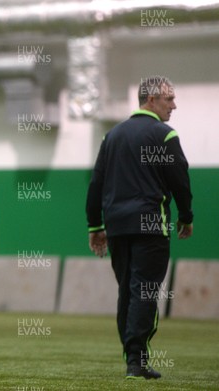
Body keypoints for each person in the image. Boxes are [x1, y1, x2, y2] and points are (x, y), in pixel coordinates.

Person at [86, 75, 193, 380]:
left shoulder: (113, 136)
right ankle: (136, 359)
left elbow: (97, 184)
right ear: (150, 99)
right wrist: (186, 215)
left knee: (129, 291)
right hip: (151, 225)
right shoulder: (165, 135)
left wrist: (95, 225)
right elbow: (179, 180)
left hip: (117, 227)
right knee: (144, 291)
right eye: (168, 99)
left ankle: (132, 357)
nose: (174, 105)